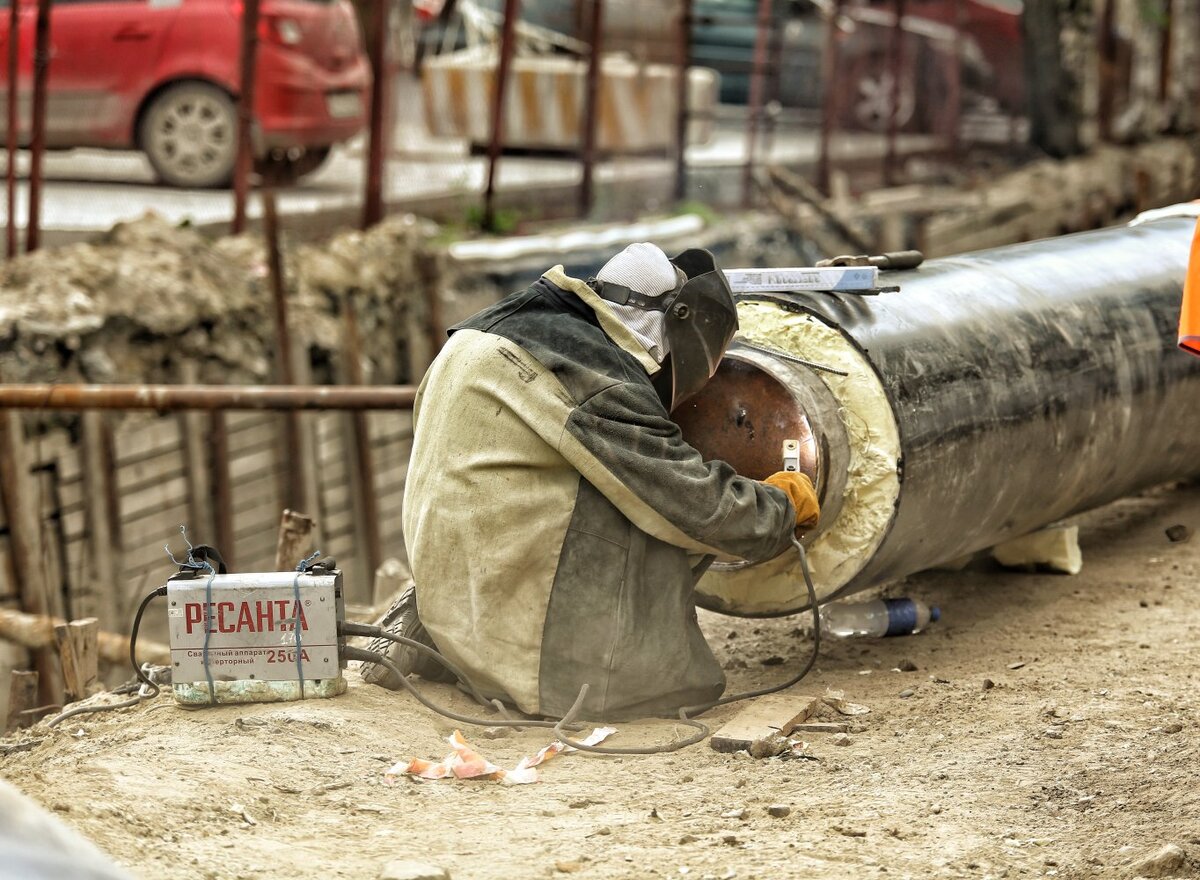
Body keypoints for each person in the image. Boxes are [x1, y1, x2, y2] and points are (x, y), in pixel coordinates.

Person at [362, 243, 819, 719]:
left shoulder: (496, 328)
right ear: (675, 325)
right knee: (659, 510)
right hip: (533, 657)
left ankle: (444, 635)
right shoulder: (593, 375)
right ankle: (602, 676)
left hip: (462, 598)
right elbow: (694, 504)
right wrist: (778, 507)